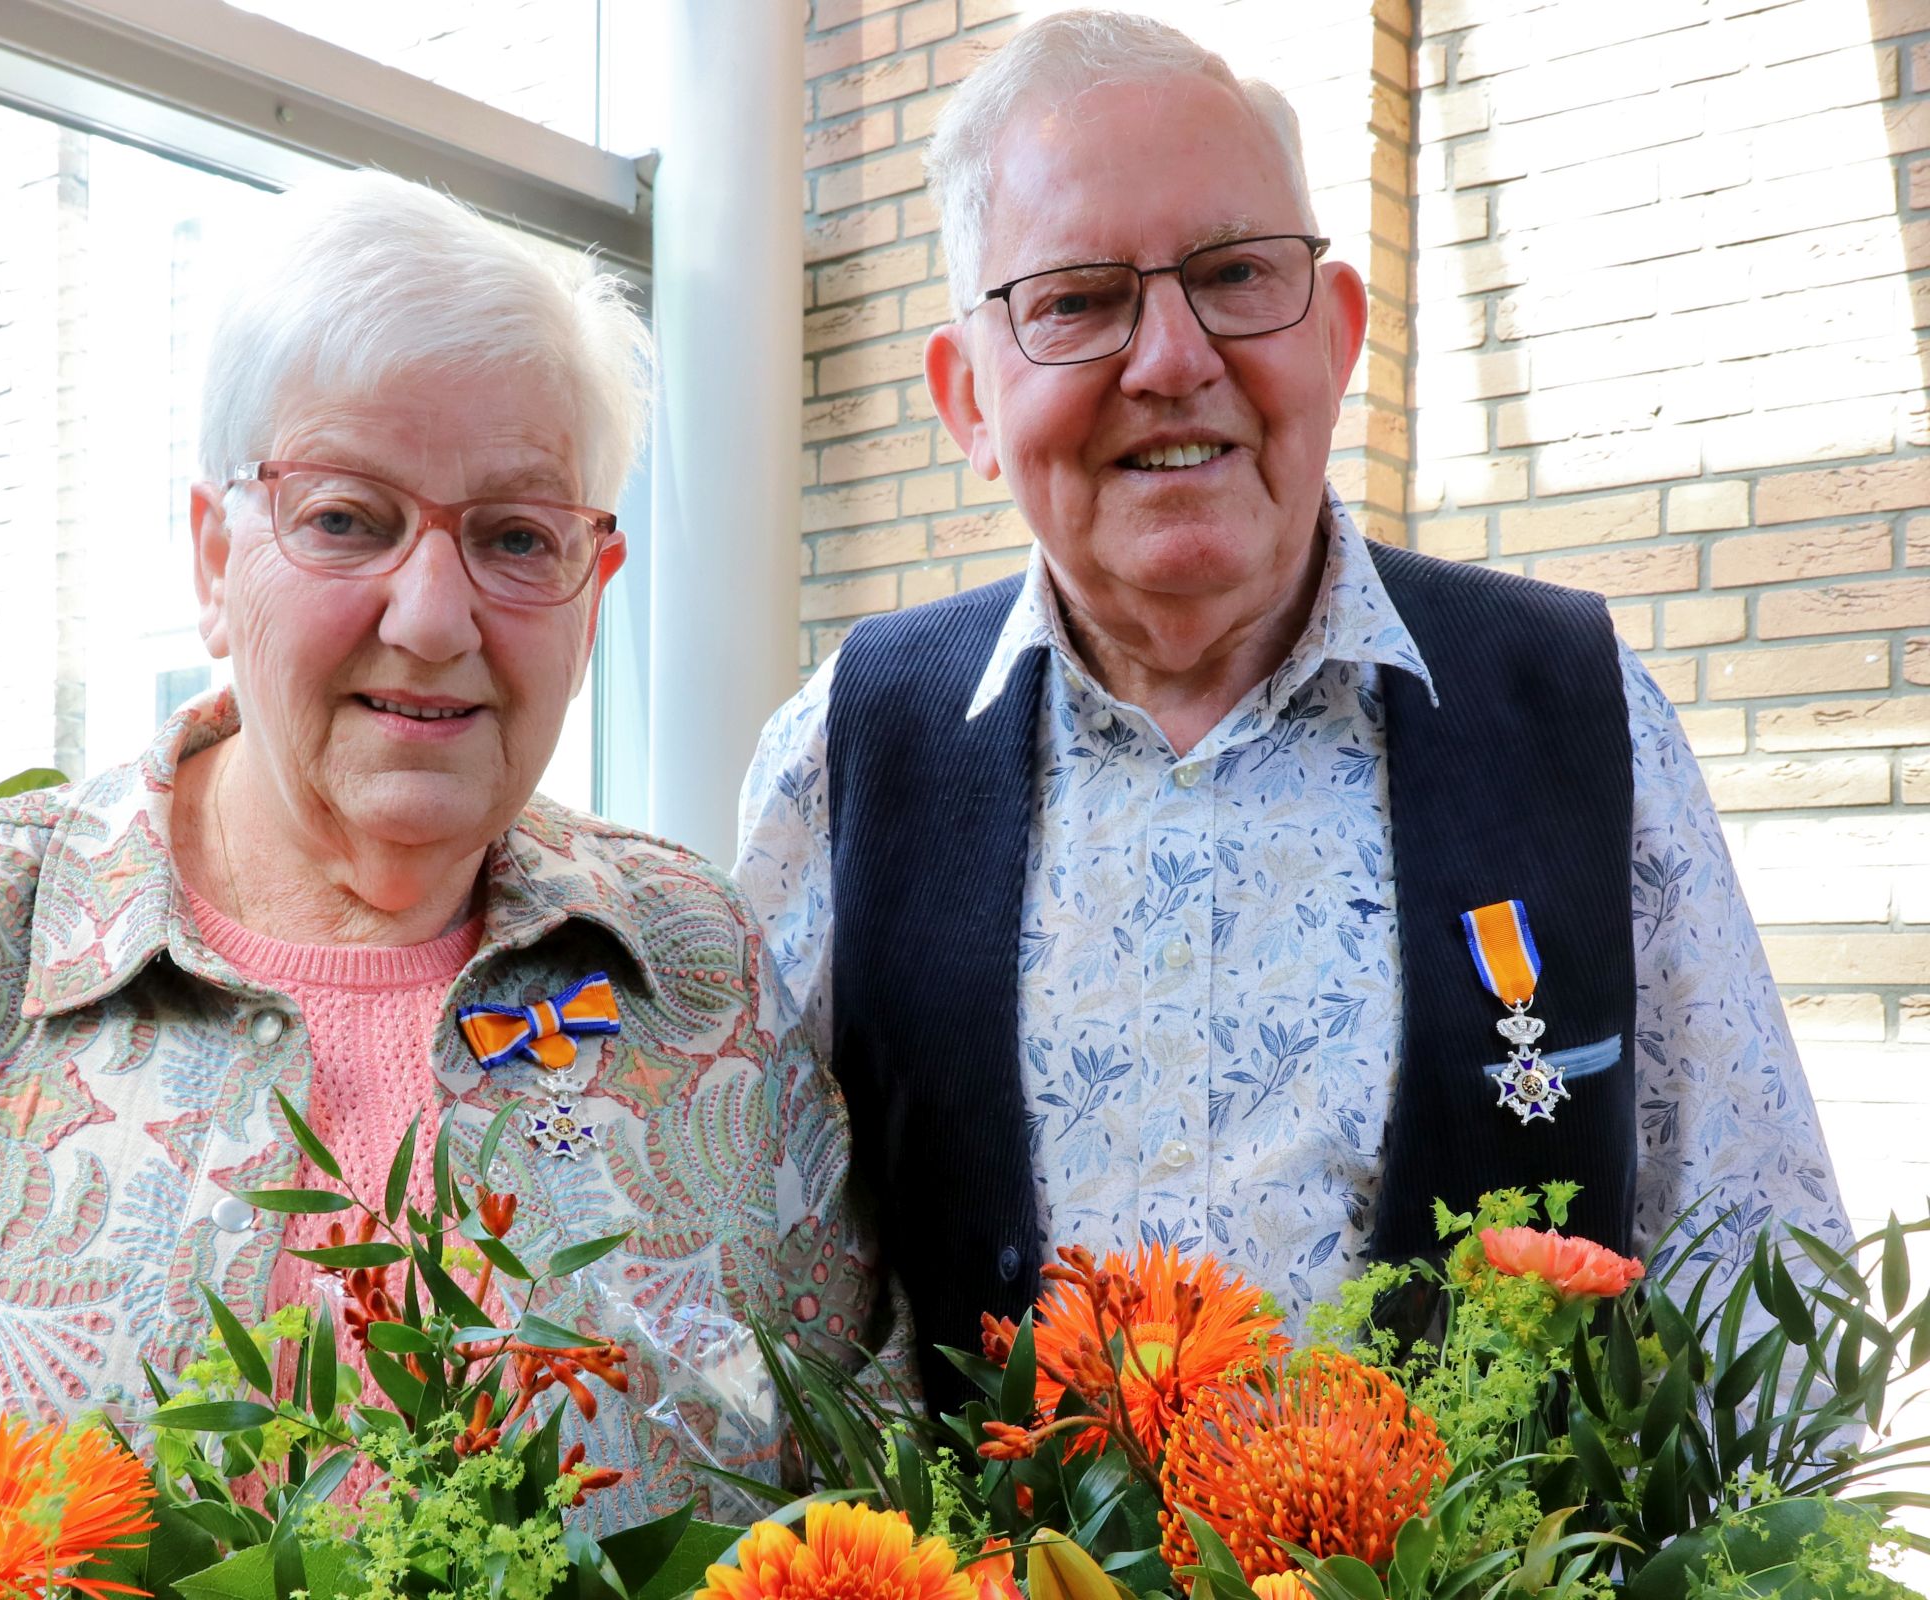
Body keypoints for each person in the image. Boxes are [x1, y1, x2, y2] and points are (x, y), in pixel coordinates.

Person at [0, 170, 866, 1595]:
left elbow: (868, 1477)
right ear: (215, 560)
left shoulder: (693, 965)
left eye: (517, 538)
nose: (433, 616)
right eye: (346, 519)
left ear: (593, 590)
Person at [736, 9, 1848, 1415]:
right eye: (1077, 299)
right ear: (968, 399)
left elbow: (1763, 1295)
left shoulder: (1579, 708)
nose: (1171, 359)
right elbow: (762, 1327)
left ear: (1338, 336)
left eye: (1234, 274)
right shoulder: (844, 756)